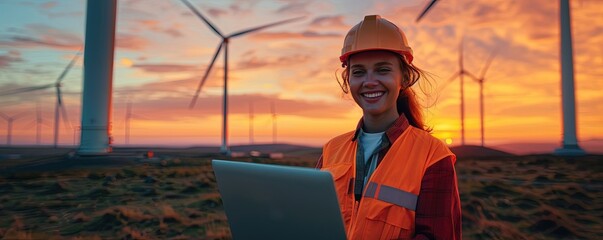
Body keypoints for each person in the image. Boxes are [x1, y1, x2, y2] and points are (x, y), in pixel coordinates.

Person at [316, 15, 462, 239]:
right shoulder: (331, 150)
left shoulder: (433, 156)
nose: (370, 81)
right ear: (348, 81)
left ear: (404, 77)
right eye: (358, 72)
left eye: (382, 70)